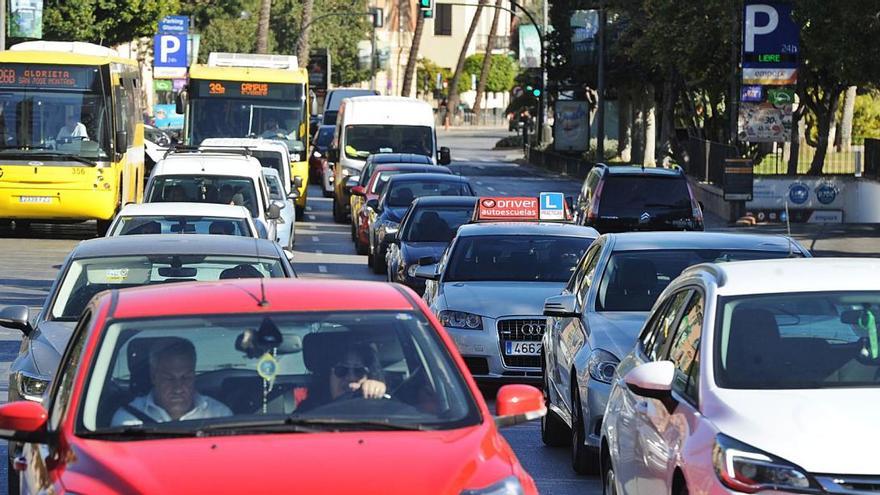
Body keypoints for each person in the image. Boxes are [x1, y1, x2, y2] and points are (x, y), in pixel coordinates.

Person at [111, 338, 232, 425]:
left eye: (186, 378)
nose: (178, 388)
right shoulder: (128, 420)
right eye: (169, 378)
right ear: (154, 377)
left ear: (194, 376)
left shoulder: (220, 416)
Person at [297, 342, 387, 412]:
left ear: (370, 376)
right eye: (342, 370)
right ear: (327, 377)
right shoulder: (308, 412)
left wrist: (379, 394)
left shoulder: (383, 410)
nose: (351, 377)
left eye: (359, 371)